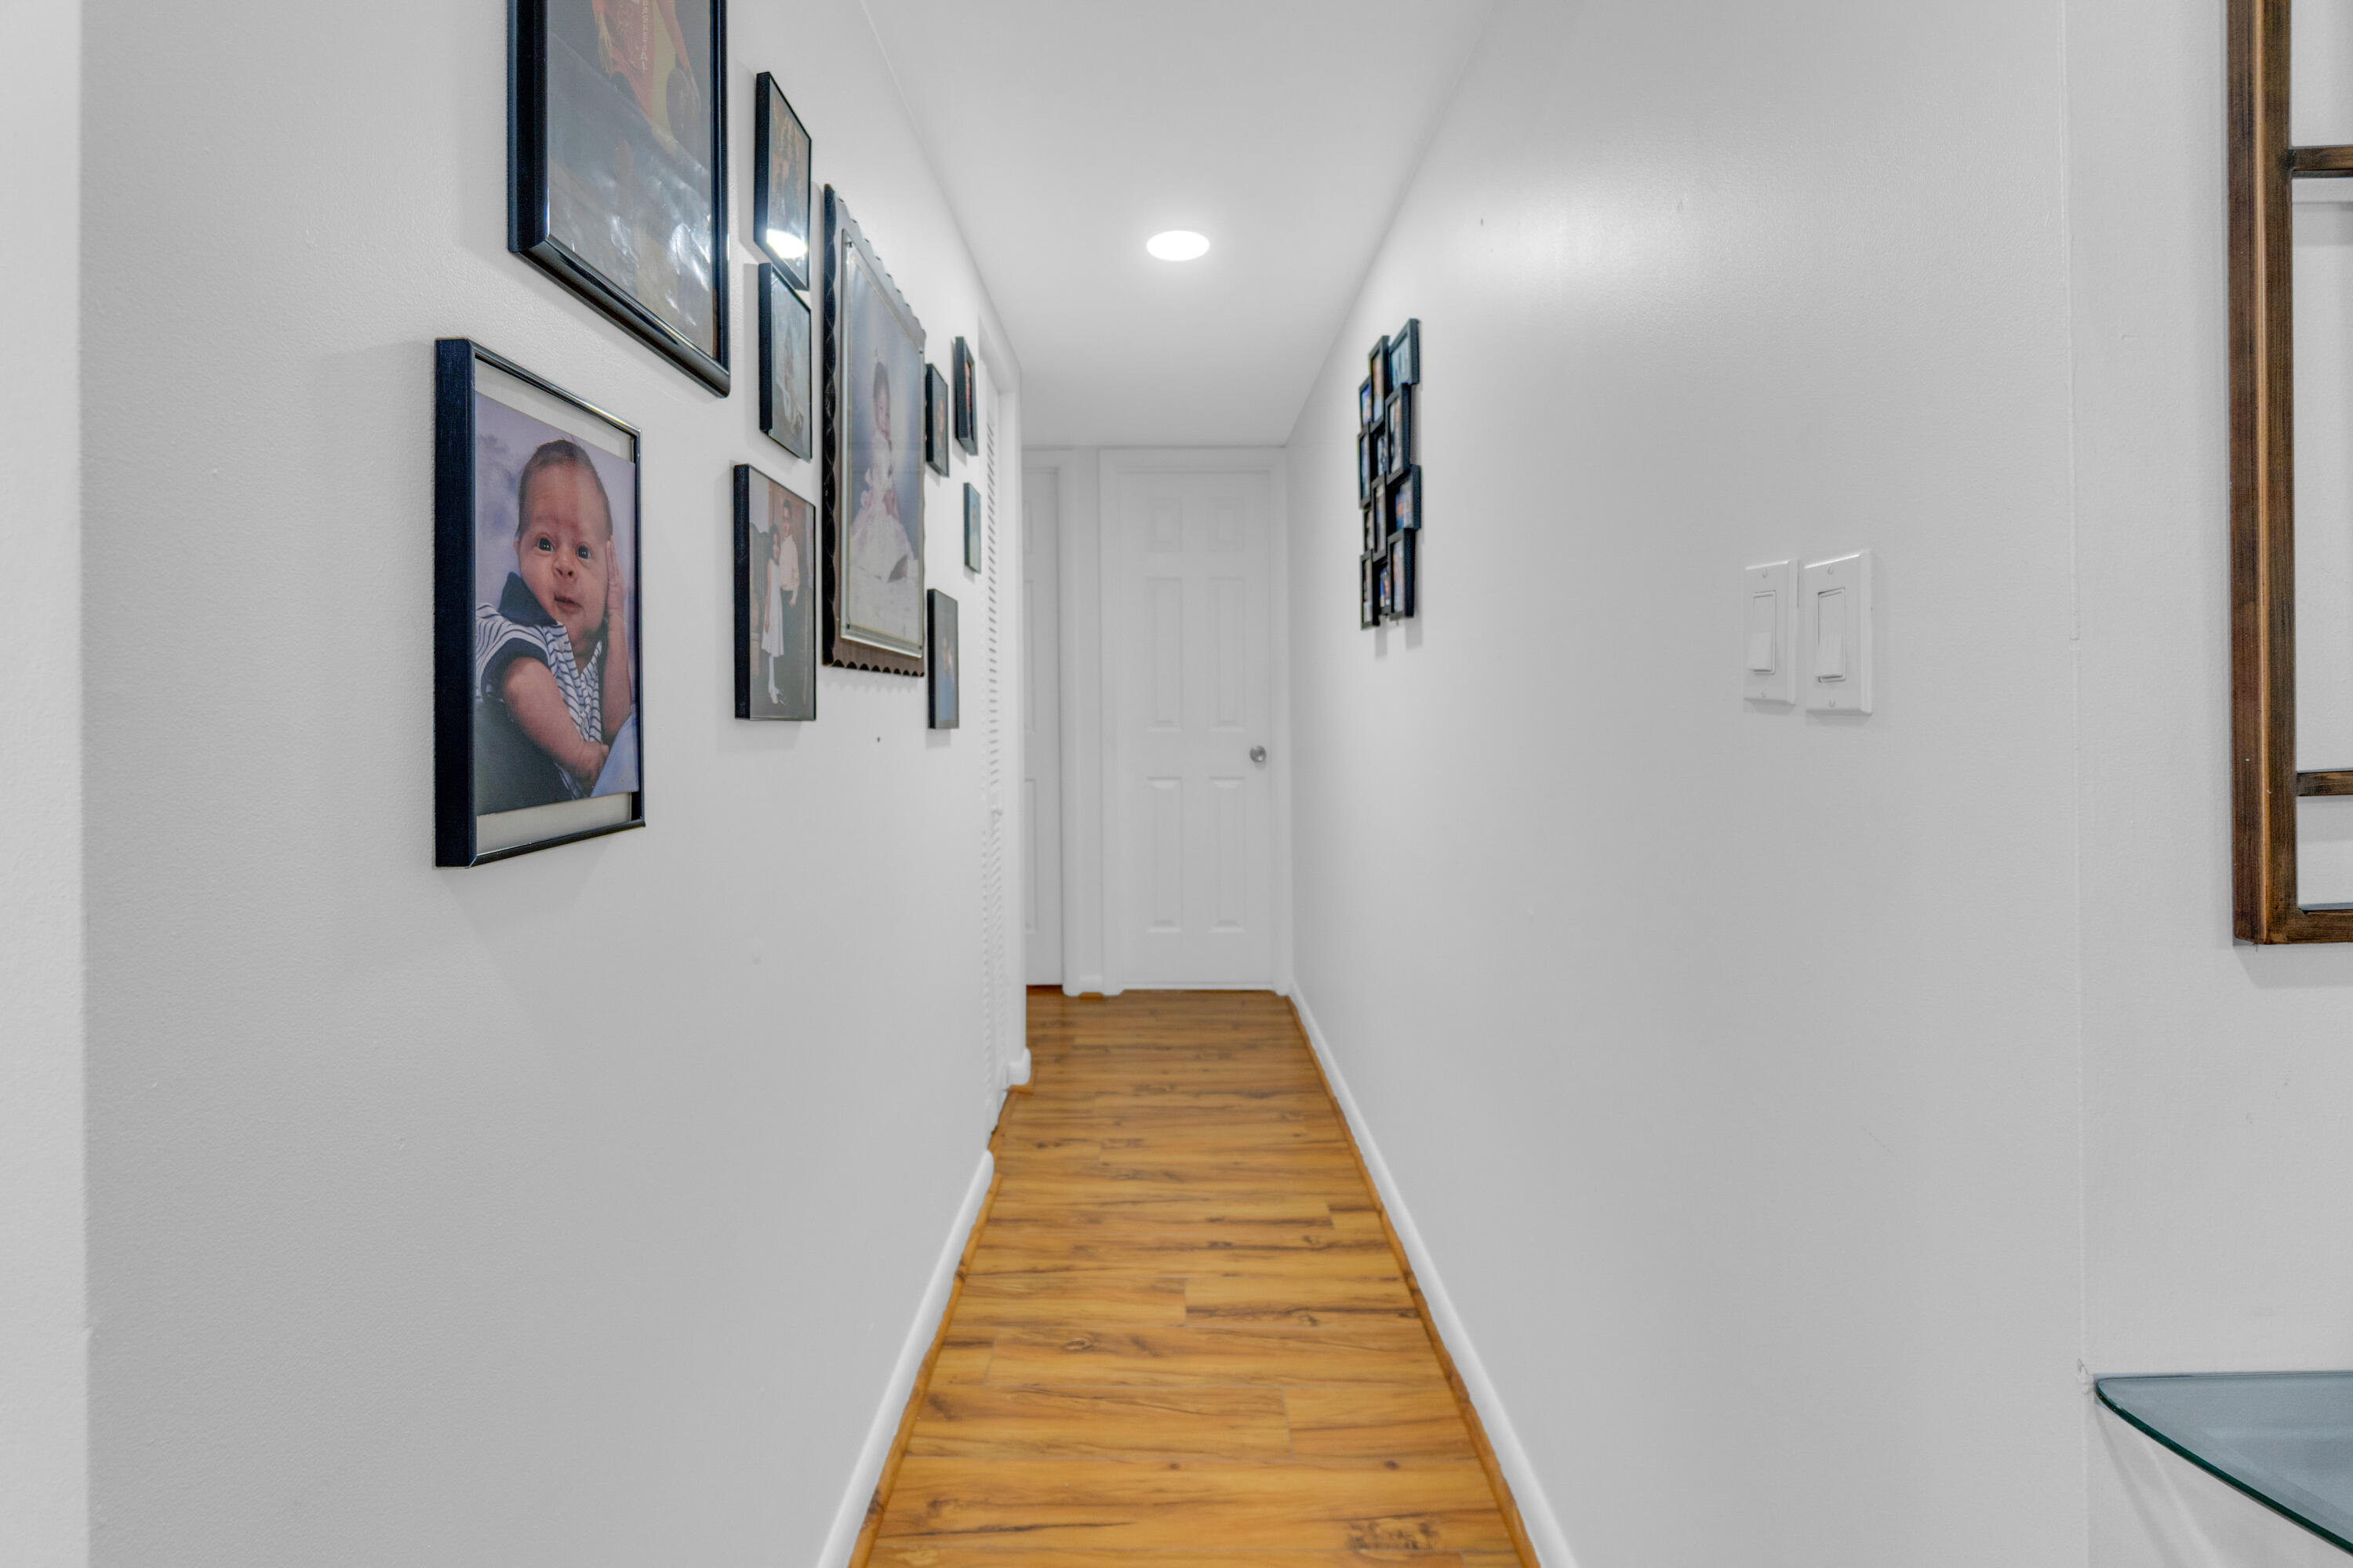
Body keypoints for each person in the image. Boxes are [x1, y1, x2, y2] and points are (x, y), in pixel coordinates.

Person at [474, 439, 633, 813]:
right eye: (545, 544)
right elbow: (522, 688)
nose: (565, 564)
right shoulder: (514, 624)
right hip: (507, 773)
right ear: (519, 552)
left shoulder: (598, 655)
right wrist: (579, 755)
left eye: (583, 551)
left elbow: (616, 726)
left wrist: (617, 621)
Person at [847, 358, 917, 642]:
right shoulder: (878, 444)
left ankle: (897, 569)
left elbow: (889, 486)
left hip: (882, 505)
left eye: (888, 414)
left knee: (896, 544)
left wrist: (891, 501)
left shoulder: (884, 443)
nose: (884, 419)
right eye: (880, 410)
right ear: (874, 404)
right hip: (877, 507)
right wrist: (885, 500)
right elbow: (881, 483)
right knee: (876, 547)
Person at [761, 499, 800, 705]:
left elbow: (787, 580)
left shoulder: (784, 554)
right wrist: (767, 617)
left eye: (778, 545)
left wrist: (792, 592)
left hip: (779, 609)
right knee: (771, 652)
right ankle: (771, 687)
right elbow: (769, 591)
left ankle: (773, 686)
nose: (776, 548)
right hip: (772, 611)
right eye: (774, 545)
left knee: (776, 651)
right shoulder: (770, 564)